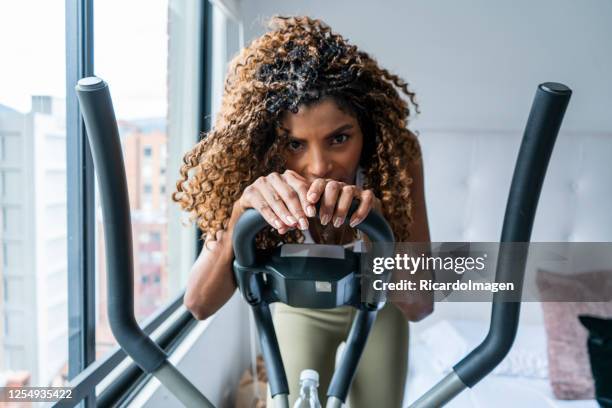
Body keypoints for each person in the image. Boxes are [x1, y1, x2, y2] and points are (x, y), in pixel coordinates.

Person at [172, 16, 433, 408]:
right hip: (302, 310)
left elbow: (419, 304)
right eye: (295, 145)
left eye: (339, 139)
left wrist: (379, 232)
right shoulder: (259, 171)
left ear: (367, 130)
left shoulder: (397, 156)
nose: (318, 166)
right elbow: (198, 304)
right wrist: (239, 215)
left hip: (380, 309)